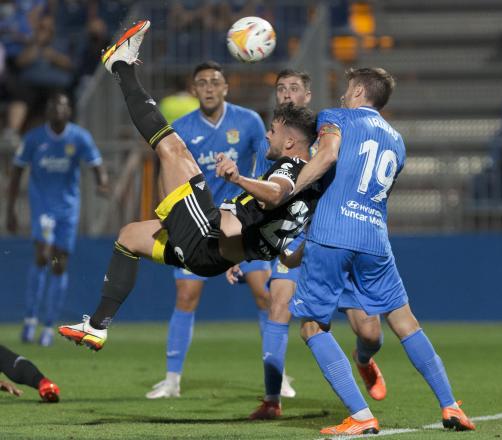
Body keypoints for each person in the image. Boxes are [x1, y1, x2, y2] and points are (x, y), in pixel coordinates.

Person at [57, 20, 320, 353]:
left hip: (205, 236)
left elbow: (276, 193)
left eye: (274, 130)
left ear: (291, 140)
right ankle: (96, 326)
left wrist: (238, 179)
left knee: (172, 148)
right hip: (211, 253)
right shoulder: (311, 193)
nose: (268, 134)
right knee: (129, 236)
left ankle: (120, 65)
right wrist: (270, 249)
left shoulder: (291, 168)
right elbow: (288, 252)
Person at [285, 67, 476, 434]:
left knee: (312, 327)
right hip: (374, 238)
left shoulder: (336, 117)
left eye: (346, 89)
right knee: (406, 323)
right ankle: (451, 406)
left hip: (332, 233)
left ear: (357, 92)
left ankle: (360, 416)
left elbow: (326, 157)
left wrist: (287, 190)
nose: (342, 95)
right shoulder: (398, 141)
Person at [226, 69, 387, 420]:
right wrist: (239, 247)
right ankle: (272, 400)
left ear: (308, 95)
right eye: (280, 88)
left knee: (370, 331)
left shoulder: (333, 129)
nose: (286, 94)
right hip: (296, 236)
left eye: (294, 88)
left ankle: (364, 358)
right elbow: (257, 198)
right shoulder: (273, 145)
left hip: (337, 237)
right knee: (278, 305)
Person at [146, 60, 272, 400]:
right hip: (197, 223)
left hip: (244, 223)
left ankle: (276, 376)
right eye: (202, 82)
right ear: (194, 89)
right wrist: (169, 217)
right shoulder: (182, 127)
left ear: (226, 87)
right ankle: (172, 380)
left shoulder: (249, 121)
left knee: (265, 294)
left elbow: (264, 164)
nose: (209, 87)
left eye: (215, 81)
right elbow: (166, 170)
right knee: (186, 296)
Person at [6, 92, 108, 347]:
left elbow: (96, 164)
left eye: (63, 106)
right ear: (48, 111)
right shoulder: (34, 139)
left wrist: (102, 183)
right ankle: (30, 318)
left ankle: (49, 324)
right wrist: (11, 210)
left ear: (69, 111)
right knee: (42, 255)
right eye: (54, 105)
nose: (58, 110)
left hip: (68, 210)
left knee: (58, 264)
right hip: (42, 207)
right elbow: (17, 171)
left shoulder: (79, 138)